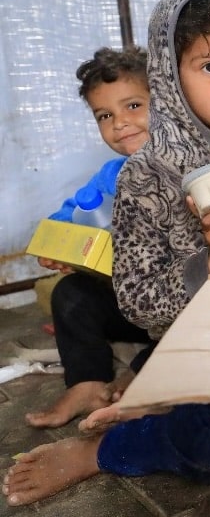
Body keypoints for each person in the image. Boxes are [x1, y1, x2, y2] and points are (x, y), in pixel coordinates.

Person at [4, 0, 210, 506]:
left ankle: (166, 406)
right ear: (169, 79)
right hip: (198, 348)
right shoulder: (147, 176)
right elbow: (137, 301)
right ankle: (106, 448)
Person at [27, 47, 155, 429]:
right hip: (131, 304)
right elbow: (69, 214)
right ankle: (86, 382)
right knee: (70, 294)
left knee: (203, 323)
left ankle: (143, 376)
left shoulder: (188, 168)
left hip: (178, 307)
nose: (120, 123)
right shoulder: (111, 175)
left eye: (133, 106)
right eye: (105, 115)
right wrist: (58, 244)